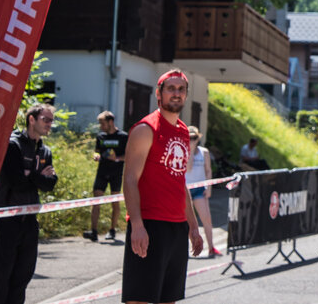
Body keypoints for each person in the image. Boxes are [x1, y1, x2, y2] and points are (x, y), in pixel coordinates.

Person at [122, 69, 204, 304]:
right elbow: (129, 179)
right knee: (140, 299)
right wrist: (137, 224)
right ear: (159, 94)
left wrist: (193, 226)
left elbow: (180, 182)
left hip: (177, 228)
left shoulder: (182, 131)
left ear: (186, 95)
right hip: (150, 225)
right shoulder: (145, 129)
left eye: (181, 89)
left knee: (169, 299)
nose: (176, 94)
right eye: (171, 89)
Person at [0, 103, 57, 304]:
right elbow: (16, 182)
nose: (50, 124)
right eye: (46, 119)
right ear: (31, 119)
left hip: (30, 220)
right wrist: (38, 176)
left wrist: (30, 175)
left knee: (22, 276)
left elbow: (50, 184)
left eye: (51, 120)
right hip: (6, 218)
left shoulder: (45, 150)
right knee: (0, 277)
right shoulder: (12, 144)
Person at [85, 110, 127, 242]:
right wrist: (96, 156)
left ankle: (112, 230)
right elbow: (97, 152)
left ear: (111, 122)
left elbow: (128, 156)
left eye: (103, 123)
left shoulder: (123, 136)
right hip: (102, 172)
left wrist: (117, 158)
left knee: (114, 203)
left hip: (116, 173)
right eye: (100, 124)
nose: (101, 126)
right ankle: (94, 231)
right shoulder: (100, 136)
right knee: (96, 201)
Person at [185, 127, 219, 257]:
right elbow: (188, 169)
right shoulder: (185, 151)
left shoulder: (204, 152)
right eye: (189, 138)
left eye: (194, 138)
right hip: (186, 188)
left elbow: (208, 170)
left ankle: (211, 247)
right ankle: (187, 247)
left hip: (200, 189)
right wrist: (191, 149)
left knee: (206, 218)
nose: (192, 140)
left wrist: (208, 188)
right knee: (186, 220)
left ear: (198, 138)